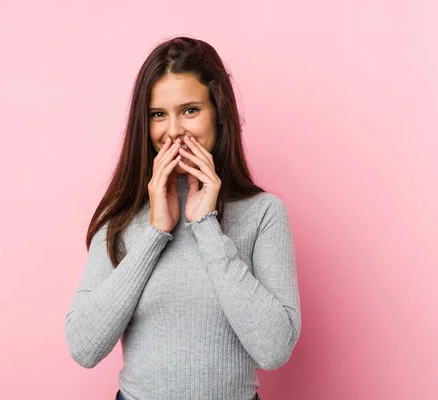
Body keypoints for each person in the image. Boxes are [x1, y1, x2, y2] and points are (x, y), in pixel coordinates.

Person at [65, 36, 301, 400]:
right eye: (158, 114)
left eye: (190, 110)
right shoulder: (121, 216)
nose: (173, 131)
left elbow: (274, 350)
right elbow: (84, 346)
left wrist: (206, 226)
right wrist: (155, 232)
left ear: (218, 114)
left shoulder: (263, 213)